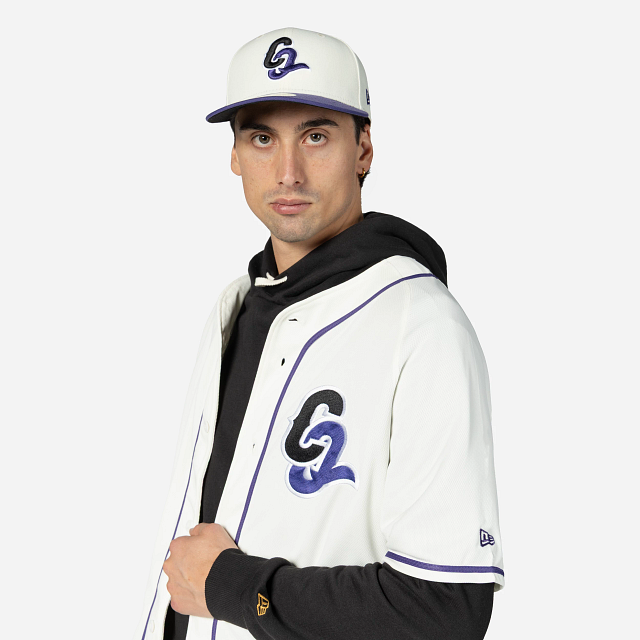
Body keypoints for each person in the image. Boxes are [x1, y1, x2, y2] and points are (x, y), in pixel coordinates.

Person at [134, 26, 504, 640]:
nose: (288, 172)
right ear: (234, 156)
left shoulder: (424, 326)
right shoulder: (236, 307)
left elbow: (446, 611)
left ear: (363, 149)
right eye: (262, 138)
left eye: (315, 136)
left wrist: (234, 587)